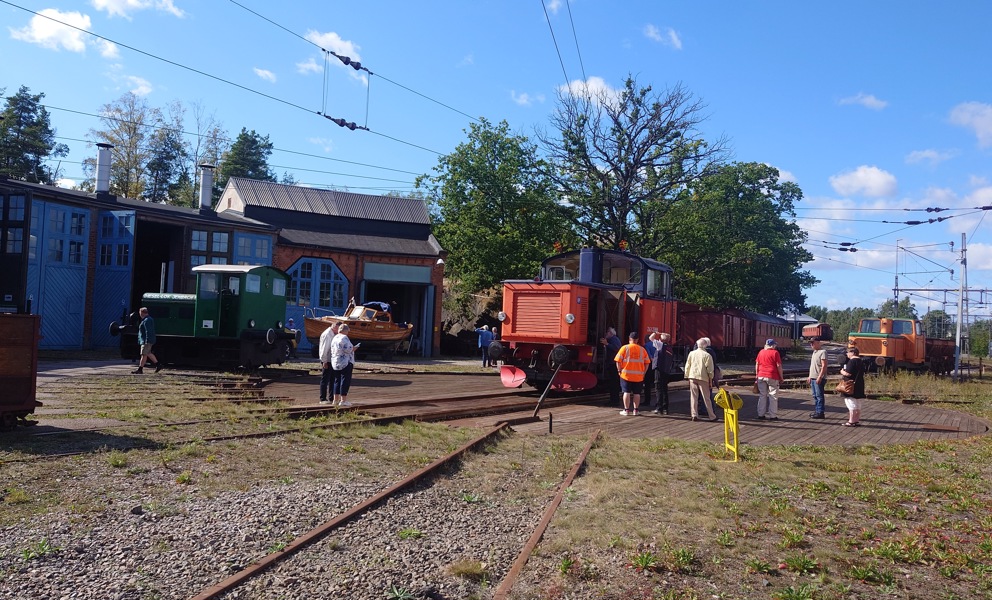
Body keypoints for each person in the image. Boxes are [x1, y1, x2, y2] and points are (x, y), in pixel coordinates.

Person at [614, 331, 649, 416]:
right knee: (637, 393)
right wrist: (644, 372)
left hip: (626, 375)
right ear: (637, 340)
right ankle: (636, 410)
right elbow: (647, 362)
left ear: (629, 339)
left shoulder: (624, 348)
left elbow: (618, 361)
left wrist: (619, 370)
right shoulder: (642, 350)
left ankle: (626, 410)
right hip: (638, 376)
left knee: (626, 392)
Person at [684, 338, 717, 421]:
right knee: (706, 398)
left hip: (692, 376)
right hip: (703, 378)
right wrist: (711, 379)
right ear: (705, 346)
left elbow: (687, 365)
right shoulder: (707, 355)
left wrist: (687, 376)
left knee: (693, 397)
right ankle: (712, 416)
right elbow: (710, 369)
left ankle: (694, 415)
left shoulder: (691, 353)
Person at [755, 338, 784, 420]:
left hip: (761, 375)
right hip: (772, 376)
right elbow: (778, 366)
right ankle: (773, 415)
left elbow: (757, 364)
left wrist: (757, 374)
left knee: (762, 395)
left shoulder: (761, 352)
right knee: (773, 396)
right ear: (773, 345)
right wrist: (781, 377)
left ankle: (761, 414)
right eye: (775, 345)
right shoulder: (775, 353)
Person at [331, 324, 356, 407]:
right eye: (348, 331)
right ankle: (343, 400)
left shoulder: (335, 337)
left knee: (336, 380)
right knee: (345, 380)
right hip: (345, 362)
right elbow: (348, 349)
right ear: (345, 330)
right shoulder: (344, 338)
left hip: (336, 362)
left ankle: (335, 400)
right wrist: (354, 348)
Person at [840, 346, 866, 426]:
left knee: (850, 402)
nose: (847, 354)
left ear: (853, 353)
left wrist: (842, 372)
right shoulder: (861, 361)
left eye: (848, 352)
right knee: (857, 403)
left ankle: (851, 421)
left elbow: (848, 373)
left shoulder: (852, 361)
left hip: (850, 385)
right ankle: (856, 420)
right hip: (859, 383)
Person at [132, 307, 162, 374]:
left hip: (146, 340)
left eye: (140, 313)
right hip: (146, 339)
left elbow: (148, 331)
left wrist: (147, 340)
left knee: (144, 354)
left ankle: (140, 369)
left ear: (142, 313)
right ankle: (158, 365)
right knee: (148, 353)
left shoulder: (146, 320)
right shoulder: (148, 319)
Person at [318, 321, 341, 404]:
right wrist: (324, 361)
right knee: (325, 379)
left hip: (332, 360)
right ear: (335, 327)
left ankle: (331, 398)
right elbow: (324, 349)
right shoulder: (327, 334)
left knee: (332, 379)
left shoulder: (333, 334)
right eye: (339, 329)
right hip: (327, 360)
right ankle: (323, 398)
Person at [599, 327, 623, 407]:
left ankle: (614, 401)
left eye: (607, 332)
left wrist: (607, 344)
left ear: (610, 333)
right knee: (613, 383)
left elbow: (617, 349)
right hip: (612, 364)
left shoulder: (614, 339)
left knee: (614, 383)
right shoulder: (613, 339)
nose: (606, 334)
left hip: (613, 364)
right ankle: (613, 400)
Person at [652, 332, 674, 414]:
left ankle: (659, 407)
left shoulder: (660, 345)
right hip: (666, 370)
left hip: (659, 369)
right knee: (664, 388)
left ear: (661, 339)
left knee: (658, 388)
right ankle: (665, 408)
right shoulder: (669, 348)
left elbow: (651, 338)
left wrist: (656, 333)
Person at [808, 337, 828, 419]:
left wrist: (820, 376)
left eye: (813, 343)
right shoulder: (814, 352)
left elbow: (824, 366)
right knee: (815, 395)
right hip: (813, 377)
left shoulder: (823, 352)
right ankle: (817, 411)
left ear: (818, 343)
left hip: (818, 377)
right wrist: (809, 376)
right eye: (810, 343)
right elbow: (812, 366)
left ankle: (820, 412)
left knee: (819, 395)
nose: (811, 345)